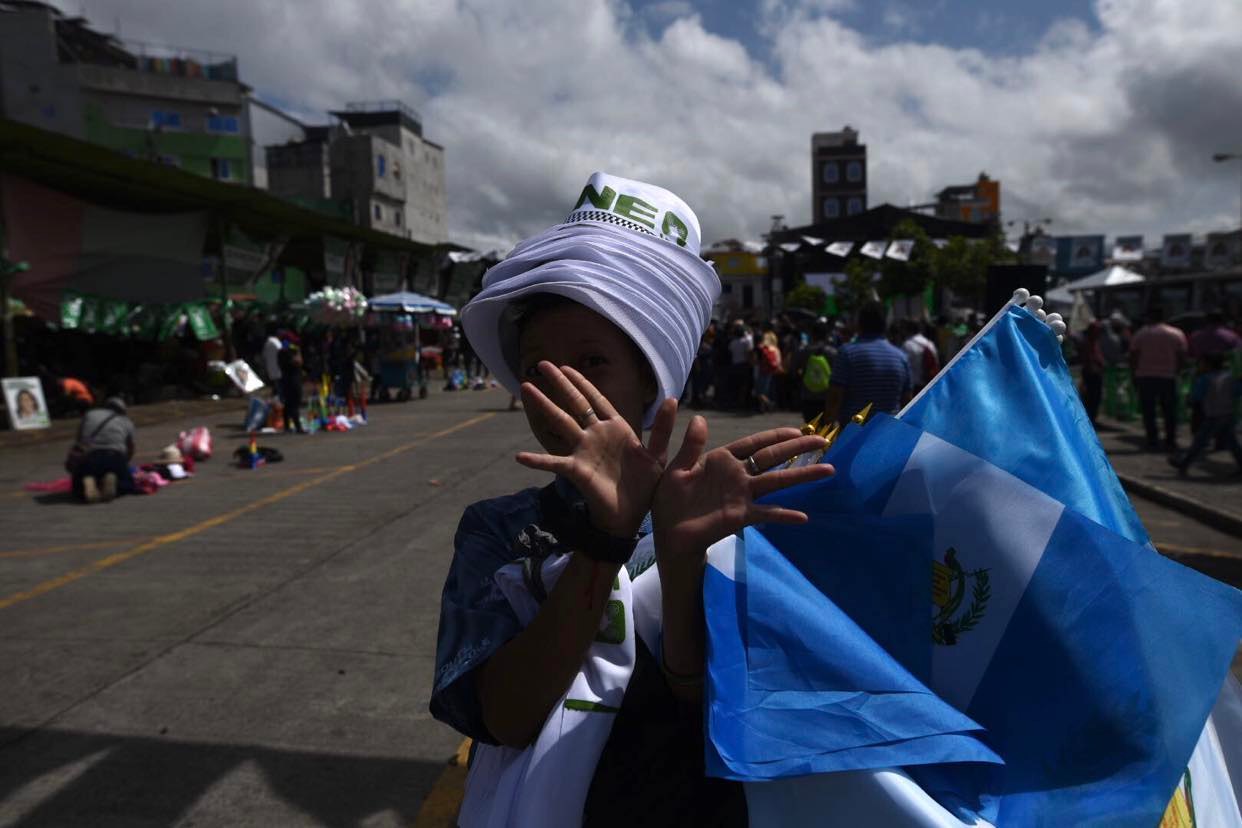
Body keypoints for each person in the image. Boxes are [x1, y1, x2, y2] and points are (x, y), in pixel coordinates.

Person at [433, 172, 833, 827]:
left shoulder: (716, 519)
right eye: (537, 367)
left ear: (652, 380)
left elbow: (709, 707)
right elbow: (504, 718)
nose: (560, 384)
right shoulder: (498, 530)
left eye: (593, 361)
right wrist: (603, 540)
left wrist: (680, 566)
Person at [824, 301, 912, 426]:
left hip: (854, 432)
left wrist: (827, 429)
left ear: (859, 323)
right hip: (887, 433)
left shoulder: (847, 353)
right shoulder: (901, 357)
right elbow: (907, 401)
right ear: (885, 324)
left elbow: (835, 397)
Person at [1170, 353, 1242, 476]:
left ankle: (1184, 463)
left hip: (1213, 415)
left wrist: (1189, 400)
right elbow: (1237, 391)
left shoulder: (1204, 379)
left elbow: (1196, 396)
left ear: (1208, 365)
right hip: (1228, 413)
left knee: (1200, 440)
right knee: (1232, 442)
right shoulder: (1229, 378)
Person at [1129, 306, 1188, 451]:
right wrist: (1177, 371)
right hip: (1168, 376)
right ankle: (1170, 440)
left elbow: (1133, 356)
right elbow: (1182, 355)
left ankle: (1152, 440)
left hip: (1145, 376)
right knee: (1169, 410)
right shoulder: (1176, 334)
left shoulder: (1141, 334)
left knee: (1149, 411)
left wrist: (1135, 373)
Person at [71, 396, 135, 503]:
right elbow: (130, 447)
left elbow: (79, 439)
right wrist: (125, 463)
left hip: (89, 458)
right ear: (123, 410)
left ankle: (88, 480)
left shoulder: (90, 414)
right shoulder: (127, 421)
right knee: (128, 484)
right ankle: (113, 481)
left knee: (77, 487)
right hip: (114, 457)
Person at [791, 318, 837, 424]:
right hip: (827, 397)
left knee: (811, 429)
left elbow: (793, 371)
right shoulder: (833, 353)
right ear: (827, 335)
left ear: (812, 334)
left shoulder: (803, 351)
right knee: (827, 431)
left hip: (808, 395)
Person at [900, 319, 939, 395]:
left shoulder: (907, 345)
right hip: (930, 384)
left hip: (915, 387)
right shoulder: (930, 344)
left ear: (907, 330)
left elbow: (904, 369)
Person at [1079, 321, 1106, 426]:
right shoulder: (1087, 343)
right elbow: (1088, 359)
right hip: (1091, 374)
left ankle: (1092, 418)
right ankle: (1090, 419)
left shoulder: (1096, 342)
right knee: (1091, 398)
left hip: (1096, 374)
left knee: (1096, 398)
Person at [278, 342, 306, 434]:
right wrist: (298, 352)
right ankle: (298, 427)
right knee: (295, 404)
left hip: (285, 382)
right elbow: (299, 361)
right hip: (294, 382)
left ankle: (287, 426)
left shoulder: (281, 356)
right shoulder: (291, 358)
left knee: (288, 404)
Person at [754, 330, 782, 413]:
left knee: (759, 391)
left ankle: (769, 404)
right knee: (767, 391)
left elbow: (755, 360)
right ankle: (763, 407)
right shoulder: (775, 349)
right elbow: (778, 360)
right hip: (773, 371)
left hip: (763, 371)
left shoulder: (763, 348)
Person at [261, 324, 283, 389]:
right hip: (277, 364)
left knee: (275, 379)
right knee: (278, 380)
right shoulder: (276, 342)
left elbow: (264, 355)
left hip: (271, 364)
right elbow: (281, 352)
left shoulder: (268, 342)